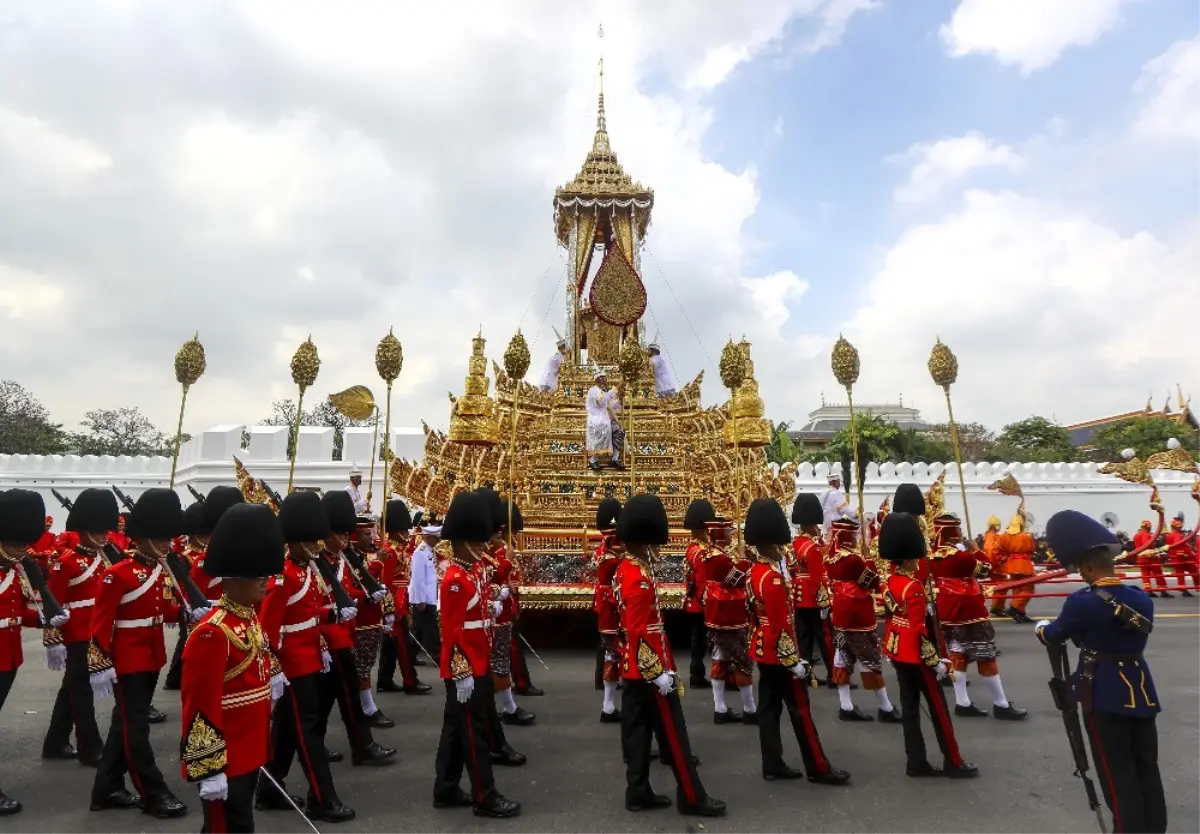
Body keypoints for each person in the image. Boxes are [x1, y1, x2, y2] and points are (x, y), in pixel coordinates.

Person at [1037, 509, 1166, 834]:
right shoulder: (1141, 598)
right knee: (1147, 768)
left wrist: (1041, 628)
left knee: (1116, 773)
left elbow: (1054, 634)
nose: (1080, 574)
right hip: (1141, 689)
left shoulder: (1082, 602)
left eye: (1081, 568)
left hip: (1104, 694)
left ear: (1088, 566)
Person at [89, 488, 202, 818]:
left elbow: (158, 609)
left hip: (151, 656)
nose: (166, 543)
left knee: (123, 725)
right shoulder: (117, 574)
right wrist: (100, 662)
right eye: (159, 538)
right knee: (134, 729)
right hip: (126, 660)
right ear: (141, 538)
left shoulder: (159, 569)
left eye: (168, 538)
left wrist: (183, 613)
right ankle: (152, 792)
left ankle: (106, 788)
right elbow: (100, 624)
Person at [616, 493, 725, 817]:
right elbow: (638, 630)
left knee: (638, 734)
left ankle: (638, 791)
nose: (659, 550)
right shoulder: (639, 579)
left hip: (634, 669)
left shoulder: (627, 568)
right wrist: (657, 672)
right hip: (650, 671)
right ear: (646, 542)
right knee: (674, 735)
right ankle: (692, 796)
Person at [180, 503, 285, 834]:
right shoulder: (213, 632)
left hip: (249, 746)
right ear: (235, 575)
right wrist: (208, 766)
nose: (265, 582)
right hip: (225, 753)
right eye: (258, 575)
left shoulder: (247, 617)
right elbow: (199, 704)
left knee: (237, 822)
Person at [258, 490, 355, 823]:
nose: (317, 545)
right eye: (311, 540)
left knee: (286, 729)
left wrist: (333, 615)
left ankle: (269, 788)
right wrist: (272, 669)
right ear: (295, 540)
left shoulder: (306, 570)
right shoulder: (283, 576)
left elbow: (309, 613)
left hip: (312, 658)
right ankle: (322, 798)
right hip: (292, 667)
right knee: (308, 733)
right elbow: (267, 629)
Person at [743, 498, 850, 786]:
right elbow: (780, 626)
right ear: (771, 541)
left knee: (768, 708)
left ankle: (772, 763)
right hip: (780, 653)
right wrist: (795, 662)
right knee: (800, 709)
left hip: (763, 649)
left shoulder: (755, 572)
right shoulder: (773, 579)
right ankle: (818, 766)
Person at [433, 490, 521, 818]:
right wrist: (461, 671)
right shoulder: (455, 579)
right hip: (467, 668)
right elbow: (451, 630)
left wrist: (495, 599)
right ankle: (485, 796)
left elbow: (479, 613)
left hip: (478, 662)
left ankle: (446, 786)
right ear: (465, 541)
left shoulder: (472, 572)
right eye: (479, 540)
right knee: (475, 733)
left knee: (456, 729)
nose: (485, 545)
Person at [879, 512, 978, 779]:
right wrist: (936, 662)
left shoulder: (892, 580)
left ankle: (916, 761)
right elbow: (919, 628)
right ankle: (953, 761)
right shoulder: (912, 587)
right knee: (939, 710)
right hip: (917, 654)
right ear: (911, 557)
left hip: (898, 649)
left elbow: (893, 618)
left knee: (910, 708)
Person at [1, 489, 71, 816]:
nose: (22, 550)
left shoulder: (14, 569)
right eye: (16, 544)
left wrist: (44, 618)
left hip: (9, 656)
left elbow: (17, 611)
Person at [315, 492, 395, 766]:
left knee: (328, 699)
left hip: (343, 634)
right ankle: (362, 745)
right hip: (327, 638)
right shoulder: (318, 561)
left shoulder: (340, 559)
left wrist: (365, 594)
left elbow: (348, 587)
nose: (343, 540)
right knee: (342, 696)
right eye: (337, 535)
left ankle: (330, 744)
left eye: (344, 534)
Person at [43, 488, 121, 767]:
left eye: (105, 532)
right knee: (82, 691)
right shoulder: (66, 563)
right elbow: (51, 604)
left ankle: (55, 741)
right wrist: (54, 639)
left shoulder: (106, 558)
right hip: (76, 634)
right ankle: (90, 746)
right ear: (83, 531)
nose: (104, 536)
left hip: (98, 633)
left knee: (73, 689)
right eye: (97, 532)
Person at [927, 513, 1027, 721]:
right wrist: (976, 549)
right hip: (970, 611)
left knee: (958, 655)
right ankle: (1000, 703)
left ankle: (961, 701)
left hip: (947, 611)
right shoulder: (961, 557)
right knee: (986, 656)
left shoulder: (932, 557)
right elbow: (986, 570)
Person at [825, 517, 901, 724]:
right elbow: (872, 583)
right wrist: (869, 560)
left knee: (842, 658)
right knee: (869, 659)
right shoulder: (854, 560)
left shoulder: (831, 558)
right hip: (858, 615)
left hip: (840, 613)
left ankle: (846, 705)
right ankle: (885, 706)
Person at [695, 514, 756, 724]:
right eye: (729, 531)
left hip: (717, 611)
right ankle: (749, 708)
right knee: (742, 660)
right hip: (729, 613)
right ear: (721, 535)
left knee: (719, 658)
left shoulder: (711, 554)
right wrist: (744, 560)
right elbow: (736, 580)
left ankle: (720, 708)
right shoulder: (719, 557)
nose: (732, 534)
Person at [483, 495, 535, 727]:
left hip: (500, 614)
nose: (498, 538)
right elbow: (488, 581)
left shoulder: (496, 552)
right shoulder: (486, 556)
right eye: (495, 534)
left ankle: (508, 706)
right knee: (493, 662)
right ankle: (502, 707)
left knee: (500, 661)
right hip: (487, 617)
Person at [377, 499, 431, 694]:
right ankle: (410, 681)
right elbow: (387, 582)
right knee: (403, 645)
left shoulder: (397, 549)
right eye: (404, 530)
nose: (407, 533)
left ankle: (384, 679)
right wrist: (391, 609)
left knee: (391, 645)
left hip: (401, 599)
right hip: (395, 604)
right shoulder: (390, 551)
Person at [347, 516, 395, 730]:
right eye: (367, 534)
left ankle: (365, 707)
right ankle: (367, 709)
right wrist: (377, 564)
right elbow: (360, 583)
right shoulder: (350, 559)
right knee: (361, 667)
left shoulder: (364, 556)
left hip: (372, 618)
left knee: (365, 666)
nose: (372, 538)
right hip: (359, 621)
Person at [787, 493, 835, 684]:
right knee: (825, 637)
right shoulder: (813, 548)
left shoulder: (796, 543)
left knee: (804, 637)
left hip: (799, 596)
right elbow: (818, 578)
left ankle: (806, 674)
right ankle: (834, 674)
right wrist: (826, 603)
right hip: (814, 597)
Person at [593, 497, 624, 720]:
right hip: (612, 609)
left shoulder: (603, 553)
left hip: (605, 605)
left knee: (608, 650)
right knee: (612, 654)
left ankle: (608, 699)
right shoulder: (612, 560)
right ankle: (608, 705)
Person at [682, 499, 711, 689]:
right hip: (701, 601)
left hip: (695, 600)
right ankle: (697, 675)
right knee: (701, 641)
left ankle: (697, 674)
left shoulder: (694, 548)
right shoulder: (699, 552)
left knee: (698, 640)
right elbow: (703, 579)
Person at [409, 521, 443, 662]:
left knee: (418, 631)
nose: (438, 541)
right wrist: (420, 599)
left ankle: (410, 656)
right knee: (430, 629)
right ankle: (437, 656)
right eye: (436, 538)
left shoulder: (430, 551)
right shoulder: (420, 553)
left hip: (430, 595)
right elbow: (418, 578)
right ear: (428, 537)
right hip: (424, 598)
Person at [1002, 506, 1042, 620]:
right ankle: (1014, 608)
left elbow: (1001, 548)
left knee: (1017, 589)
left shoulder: (1005, 536)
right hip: (1023, 565)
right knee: (1028, 589)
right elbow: (1032, 549)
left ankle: (1020, 613)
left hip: (1011, 565)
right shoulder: (1026, 536)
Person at [586, 368, 623, 470]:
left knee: (619, 431)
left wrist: (617, 420)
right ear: (600, 379)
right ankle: (593, 460)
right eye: (605, 378)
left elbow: (609, 406)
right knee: (601, 430)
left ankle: (615, 459)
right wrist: (614, 390)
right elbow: (601, 400)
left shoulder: (603, 391)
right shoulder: (593, 390)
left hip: (606, 419)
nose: (606, 381)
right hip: (596, 420)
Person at [1166, 516, 1199, 596]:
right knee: (1194, 571)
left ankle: (1183, 589)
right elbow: (1178, 545)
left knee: (1180, 574)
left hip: (1174, 558)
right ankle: (1198, 585)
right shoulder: (1178, 535)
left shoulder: (1169, 536)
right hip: (1183, 558)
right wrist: (1185, 555)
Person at [984, 515, 1007, 617]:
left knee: (1001, 588)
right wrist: (996, 563)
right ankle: (997, 607)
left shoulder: (992, 536)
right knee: (1000, 587)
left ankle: (998, 607)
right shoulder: (991, 536)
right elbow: (991, 552)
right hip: (998, 566)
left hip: (998, 565)